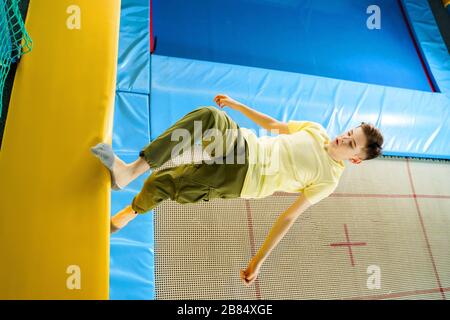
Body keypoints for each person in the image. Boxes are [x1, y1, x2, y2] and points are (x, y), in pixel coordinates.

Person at [91, 94, 384, 286]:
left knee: (164, 184)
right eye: (348, 133)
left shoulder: (328, 179)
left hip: (242, 179)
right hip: (241, 146)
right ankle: (129, 172)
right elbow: (273, 124)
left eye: (351, 144)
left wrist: (257, 262)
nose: (343, 139)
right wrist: (236, 105)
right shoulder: (315, 130)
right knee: (210, 117)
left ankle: (124, 216)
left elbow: (289, 217)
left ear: (355, 159)